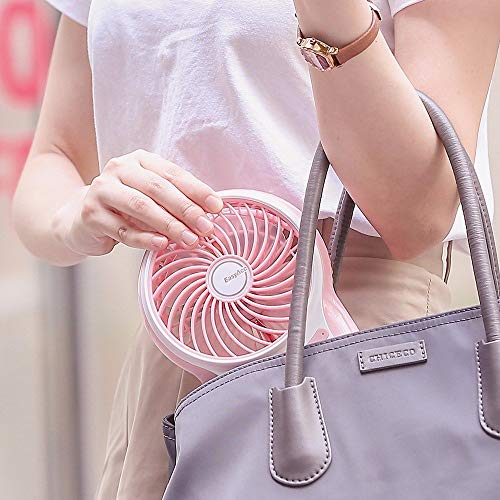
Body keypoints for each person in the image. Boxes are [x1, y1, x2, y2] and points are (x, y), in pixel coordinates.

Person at [12, 0, 500, 498]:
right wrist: (76, 214)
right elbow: (57, 154)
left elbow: (418, 215)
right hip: (181, 321)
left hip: (357, 325)